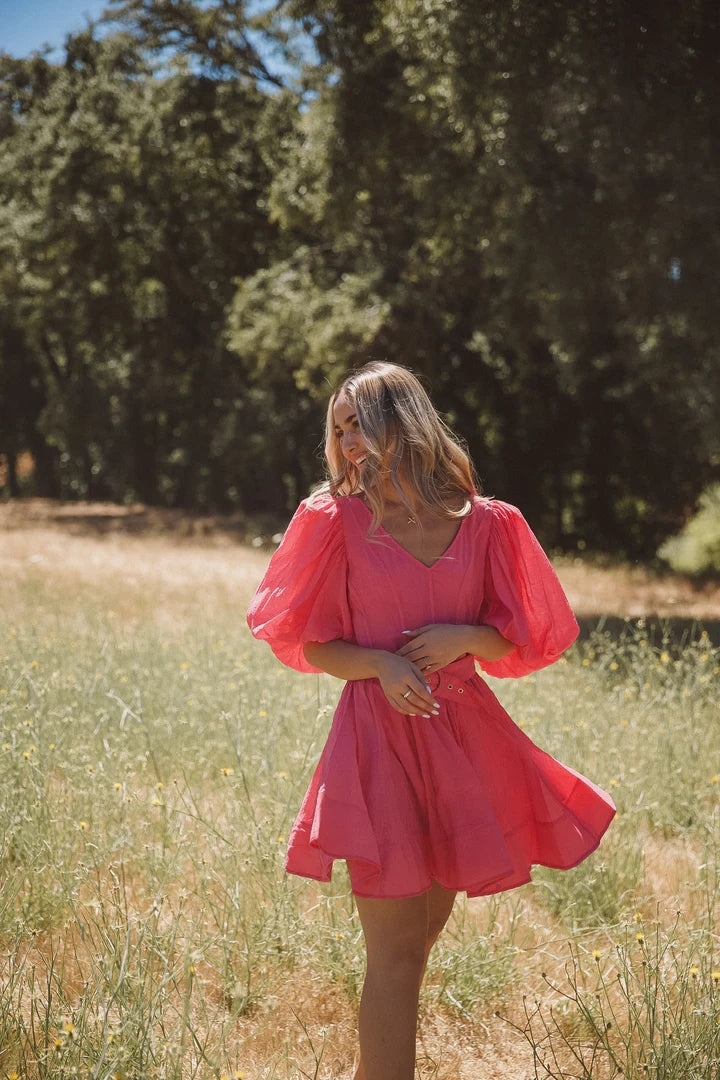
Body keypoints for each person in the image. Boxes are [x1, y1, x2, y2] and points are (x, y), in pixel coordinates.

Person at [246, 361, 615, 1080]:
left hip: (464, 743)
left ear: (404, 419)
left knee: (420, 941)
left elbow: (520, 637)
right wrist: (382, 665)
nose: (350, 443)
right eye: (340, 429)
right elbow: (311, 643)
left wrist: (464, 638)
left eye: (361, 424)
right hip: (376, 746)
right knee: (393, 954)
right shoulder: (334, 522)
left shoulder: (489, 524)